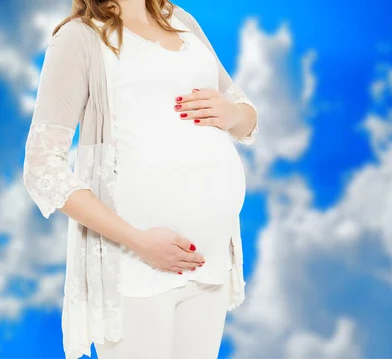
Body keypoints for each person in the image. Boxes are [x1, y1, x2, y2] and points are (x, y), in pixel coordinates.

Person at [21, 0, 258, 358]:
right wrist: (138, 240)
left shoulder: (179, 19)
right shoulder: (79, 38)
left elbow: (247, 117)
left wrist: (231, 112)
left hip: (210, 260)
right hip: (134, 267)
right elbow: (42, 168)